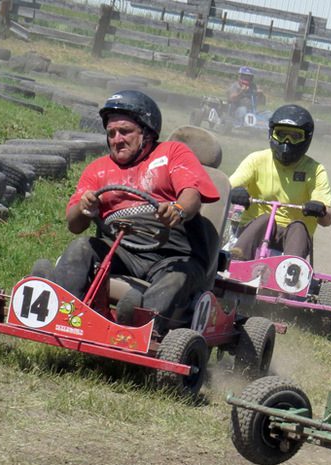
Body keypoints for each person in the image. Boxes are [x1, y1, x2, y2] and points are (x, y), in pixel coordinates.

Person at [49, 90, 220, 332]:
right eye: (111, 133)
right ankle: (62, 311)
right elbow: (74, 225)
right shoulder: (97, 169)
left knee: (177, 277)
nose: (117, 139)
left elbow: (191, 194)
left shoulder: (172, 153)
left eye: (125, 132)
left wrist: (178, 209)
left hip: (172, 256)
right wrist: (83, 208)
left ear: (147, 132)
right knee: (81, 247)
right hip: (122, 252)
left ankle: (137, 327)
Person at [227, 104, 331, 261]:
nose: (287, 142)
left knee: (298, 226)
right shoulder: (256, 160)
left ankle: (291, 268)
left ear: (306, 138)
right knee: (265, 218)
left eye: (295, 136)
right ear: (272, 134)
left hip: (291, 238)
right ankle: (237, 259)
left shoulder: (315, 170)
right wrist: (235, 193)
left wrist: (321, 210)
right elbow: (225, 188)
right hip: (253, 229)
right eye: (282, 134)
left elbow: (328, 220)